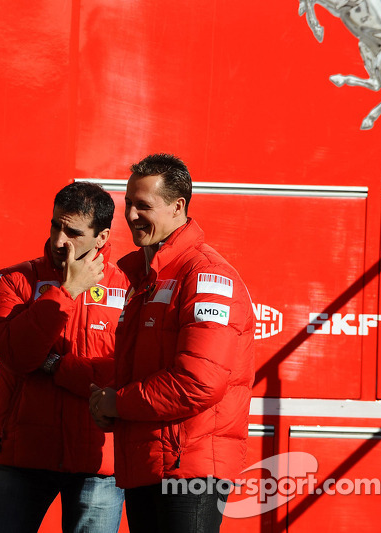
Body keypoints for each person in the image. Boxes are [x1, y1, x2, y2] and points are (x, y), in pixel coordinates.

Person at [89, 154, 255, 533]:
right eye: (128, 203)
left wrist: (120, 401)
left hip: (189, 469)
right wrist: (111, 401)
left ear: (179, 206)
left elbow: (199, 382)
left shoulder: (205, 275)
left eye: (143, 205)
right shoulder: (143, 279)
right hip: (149, 462)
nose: (130, 215)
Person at [0, 182, 129, 533]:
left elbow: (125, 372)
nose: (60, 240)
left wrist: (57, 366)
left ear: (101, 237)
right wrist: (67, 292)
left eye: (73, 232)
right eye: (55, 226)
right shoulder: (15, 280)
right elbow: (16, 353)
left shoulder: (127, 288)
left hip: (98, 462)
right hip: (22, 456)